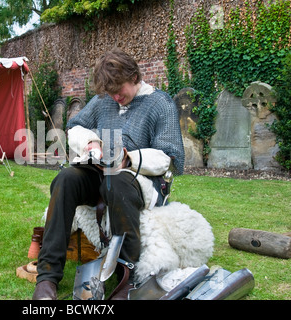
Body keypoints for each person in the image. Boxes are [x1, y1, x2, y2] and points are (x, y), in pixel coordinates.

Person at [32, 48, 185, 300]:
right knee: (66, 179)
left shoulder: (160, 103)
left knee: (117, 179)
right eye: (110, 92)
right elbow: (75, 126)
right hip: (103, 171)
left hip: (141, 180)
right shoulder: (104, 100)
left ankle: (128, 279)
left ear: (134, 76)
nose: (115, 96)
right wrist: (92, 143)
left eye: (119, 89)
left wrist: (130, 158)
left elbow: (170, 158)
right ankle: (47, 277)